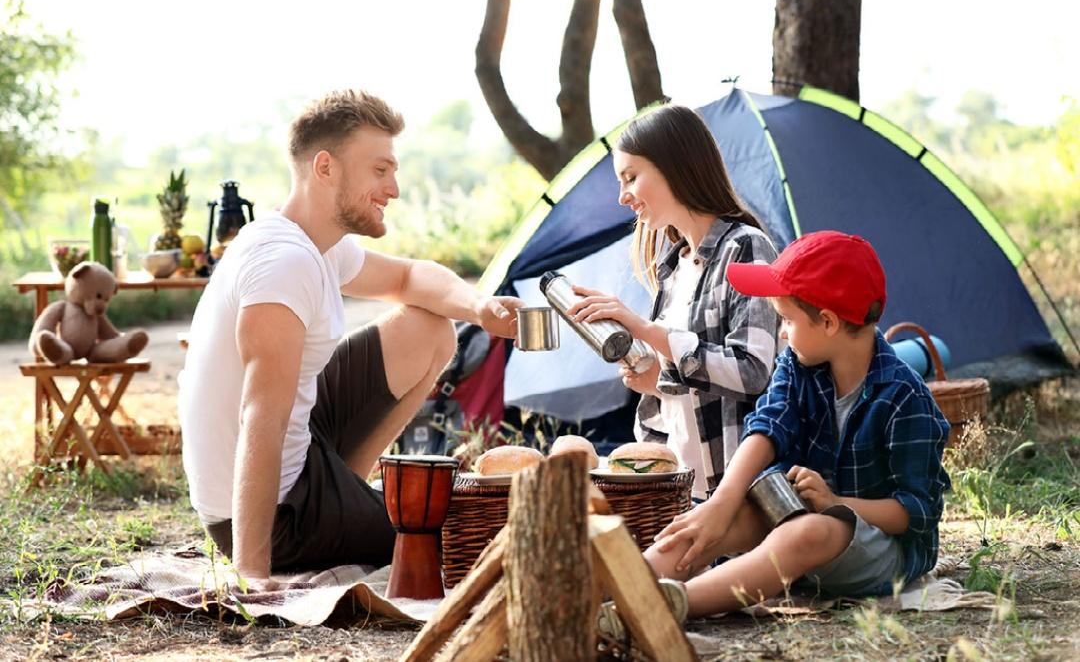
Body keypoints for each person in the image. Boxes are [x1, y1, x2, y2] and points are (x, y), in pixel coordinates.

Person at [178, 89, 522, 589]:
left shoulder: (314, 245)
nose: (394, 189)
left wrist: (479, 308)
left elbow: (408, 278)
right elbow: (261, 416)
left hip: (302, 454)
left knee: (430, 328)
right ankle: (344, 511)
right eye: (380, 171)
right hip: (277, 514)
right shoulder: (284, 263)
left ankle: (350, 492)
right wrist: (252, 573)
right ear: (325, 168)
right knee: (456, 536)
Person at [644, 230, 952, 617]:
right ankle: (618, 586)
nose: (782, 334)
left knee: (809, 532)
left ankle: (662, 610)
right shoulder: (798, 364)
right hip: (796, 515)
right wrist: (721, 504)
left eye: (786, 320)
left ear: (827, 322)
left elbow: (915, 512)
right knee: (718, 520)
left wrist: (836, 503)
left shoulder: (906, 398)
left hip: (881, 547)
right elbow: (767, 426)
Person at [567, 105, 781, 500]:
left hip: (738, 495)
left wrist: (648, 331)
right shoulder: (672, 268)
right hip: (682, 488)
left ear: (675, 166)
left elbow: (754, 372)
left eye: (631, 177)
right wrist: (654, 379)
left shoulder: (746, 249)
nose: (622, 196)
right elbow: (691, 384)